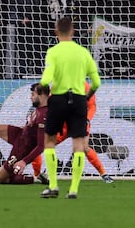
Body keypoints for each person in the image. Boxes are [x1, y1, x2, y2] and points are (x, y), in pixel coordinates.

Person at [39, 16, 101, 199]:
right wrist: (86, 97)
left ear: (56, 32)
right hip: (79, 100)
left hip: (58, 98)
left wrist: (43, 92)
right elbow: (96, 82)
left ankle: (53, 185)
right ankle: (73, 189)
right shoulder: (83, 52)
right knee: (79, 145)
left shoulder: (53, 52)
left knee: (49, 142)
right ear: (73, 32)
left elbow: (45, 79)